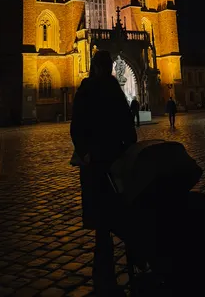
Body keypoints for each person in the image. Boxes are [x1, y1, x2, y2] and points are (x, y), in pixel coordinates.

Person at [70, 50, 137, 296]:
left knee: (103, 220)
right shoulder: (110, 92)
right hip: (109, 161)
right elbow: (127, 128)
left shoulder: (90, 90)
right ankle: (115, 270)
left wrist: (85, 152)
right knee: (113, 215)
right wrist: (126, 148)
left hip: (100, 163)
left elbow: (77, 127)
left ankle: (103, 273)